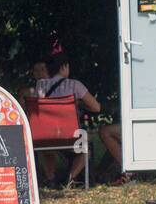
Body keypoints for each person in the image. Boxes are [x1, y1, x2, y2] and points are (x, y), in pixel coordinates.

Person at [34, 54, 128, 187]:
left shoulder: (40, 85)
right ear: (64, 67)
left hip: (46, 137)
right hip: (70, 137)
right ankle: (70, 178)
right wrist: (78, 103)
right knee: (86, 149)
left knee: (46, 149)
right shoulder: (74, 85)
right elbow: (96, 107)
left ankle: (51, 179)